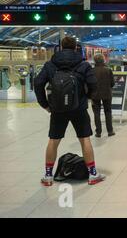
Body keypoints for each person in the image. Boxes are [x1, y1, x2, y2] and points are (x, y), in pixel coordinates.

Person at [34, 36, 105, 186]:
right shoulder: (83, 64)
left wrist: (45, 104)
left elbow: (38, 83)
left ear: (60, 47)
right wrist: (87, 97)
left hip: (57, 109)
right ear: (75, 48)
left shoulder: (50, 65)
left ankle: (48, 176)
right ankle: (93, 174)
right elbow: (93, 84)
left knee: (53, 140)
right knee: (84, 139)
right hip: (79, 108)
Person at [91, 53, 115, 137]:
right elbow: (112, 83)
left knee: (96, 113)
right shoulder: (108, 70)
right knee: (108, 112)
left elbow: (89, 83)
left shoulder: (92, 71)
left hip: (95, 94)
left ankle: (98, 132)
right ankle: (110, 131)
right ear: (103, 60)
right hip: (107, 94)